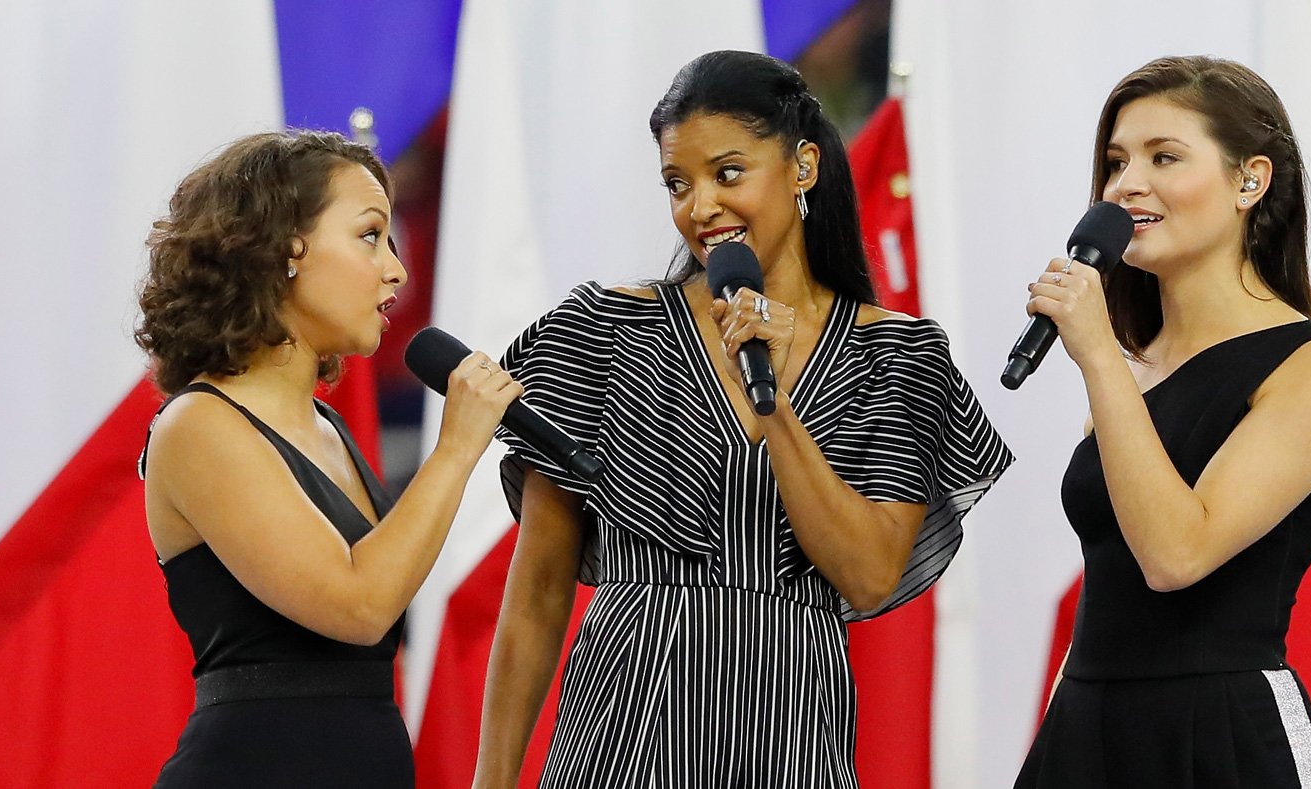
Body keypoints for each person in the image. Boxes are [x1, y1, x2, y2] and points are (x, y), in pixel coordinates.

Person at [471, 50, 1013, 788]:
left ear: (804, 167)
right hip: (621, 735)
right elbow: (536, 592)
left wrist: (776, 411)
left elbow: (870, 573)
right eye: (677, 183)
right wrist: (492, 780)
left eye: (728, 174)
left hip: (791, 733)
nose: (700, 208)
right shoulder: (602, 331)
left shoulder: (899, 356)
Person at [1013, 56, 1311, 787]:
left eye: (1163, 157)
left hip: (1223, 738)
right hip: (1086, 731)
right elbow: (1112, 583)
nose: (1125, 186)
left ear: (1251, 180)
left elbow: (1176, 554)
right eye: (1116, 162)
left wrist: (1099, 360)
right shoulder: (1134, 367)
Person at [135, 129, 522, 787]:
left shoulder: (330, 427)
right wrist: (456, 447)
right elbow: (359, 604)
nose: (396, 269)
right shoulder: (197, 424)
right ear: (285, 248)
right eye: (371, 235)